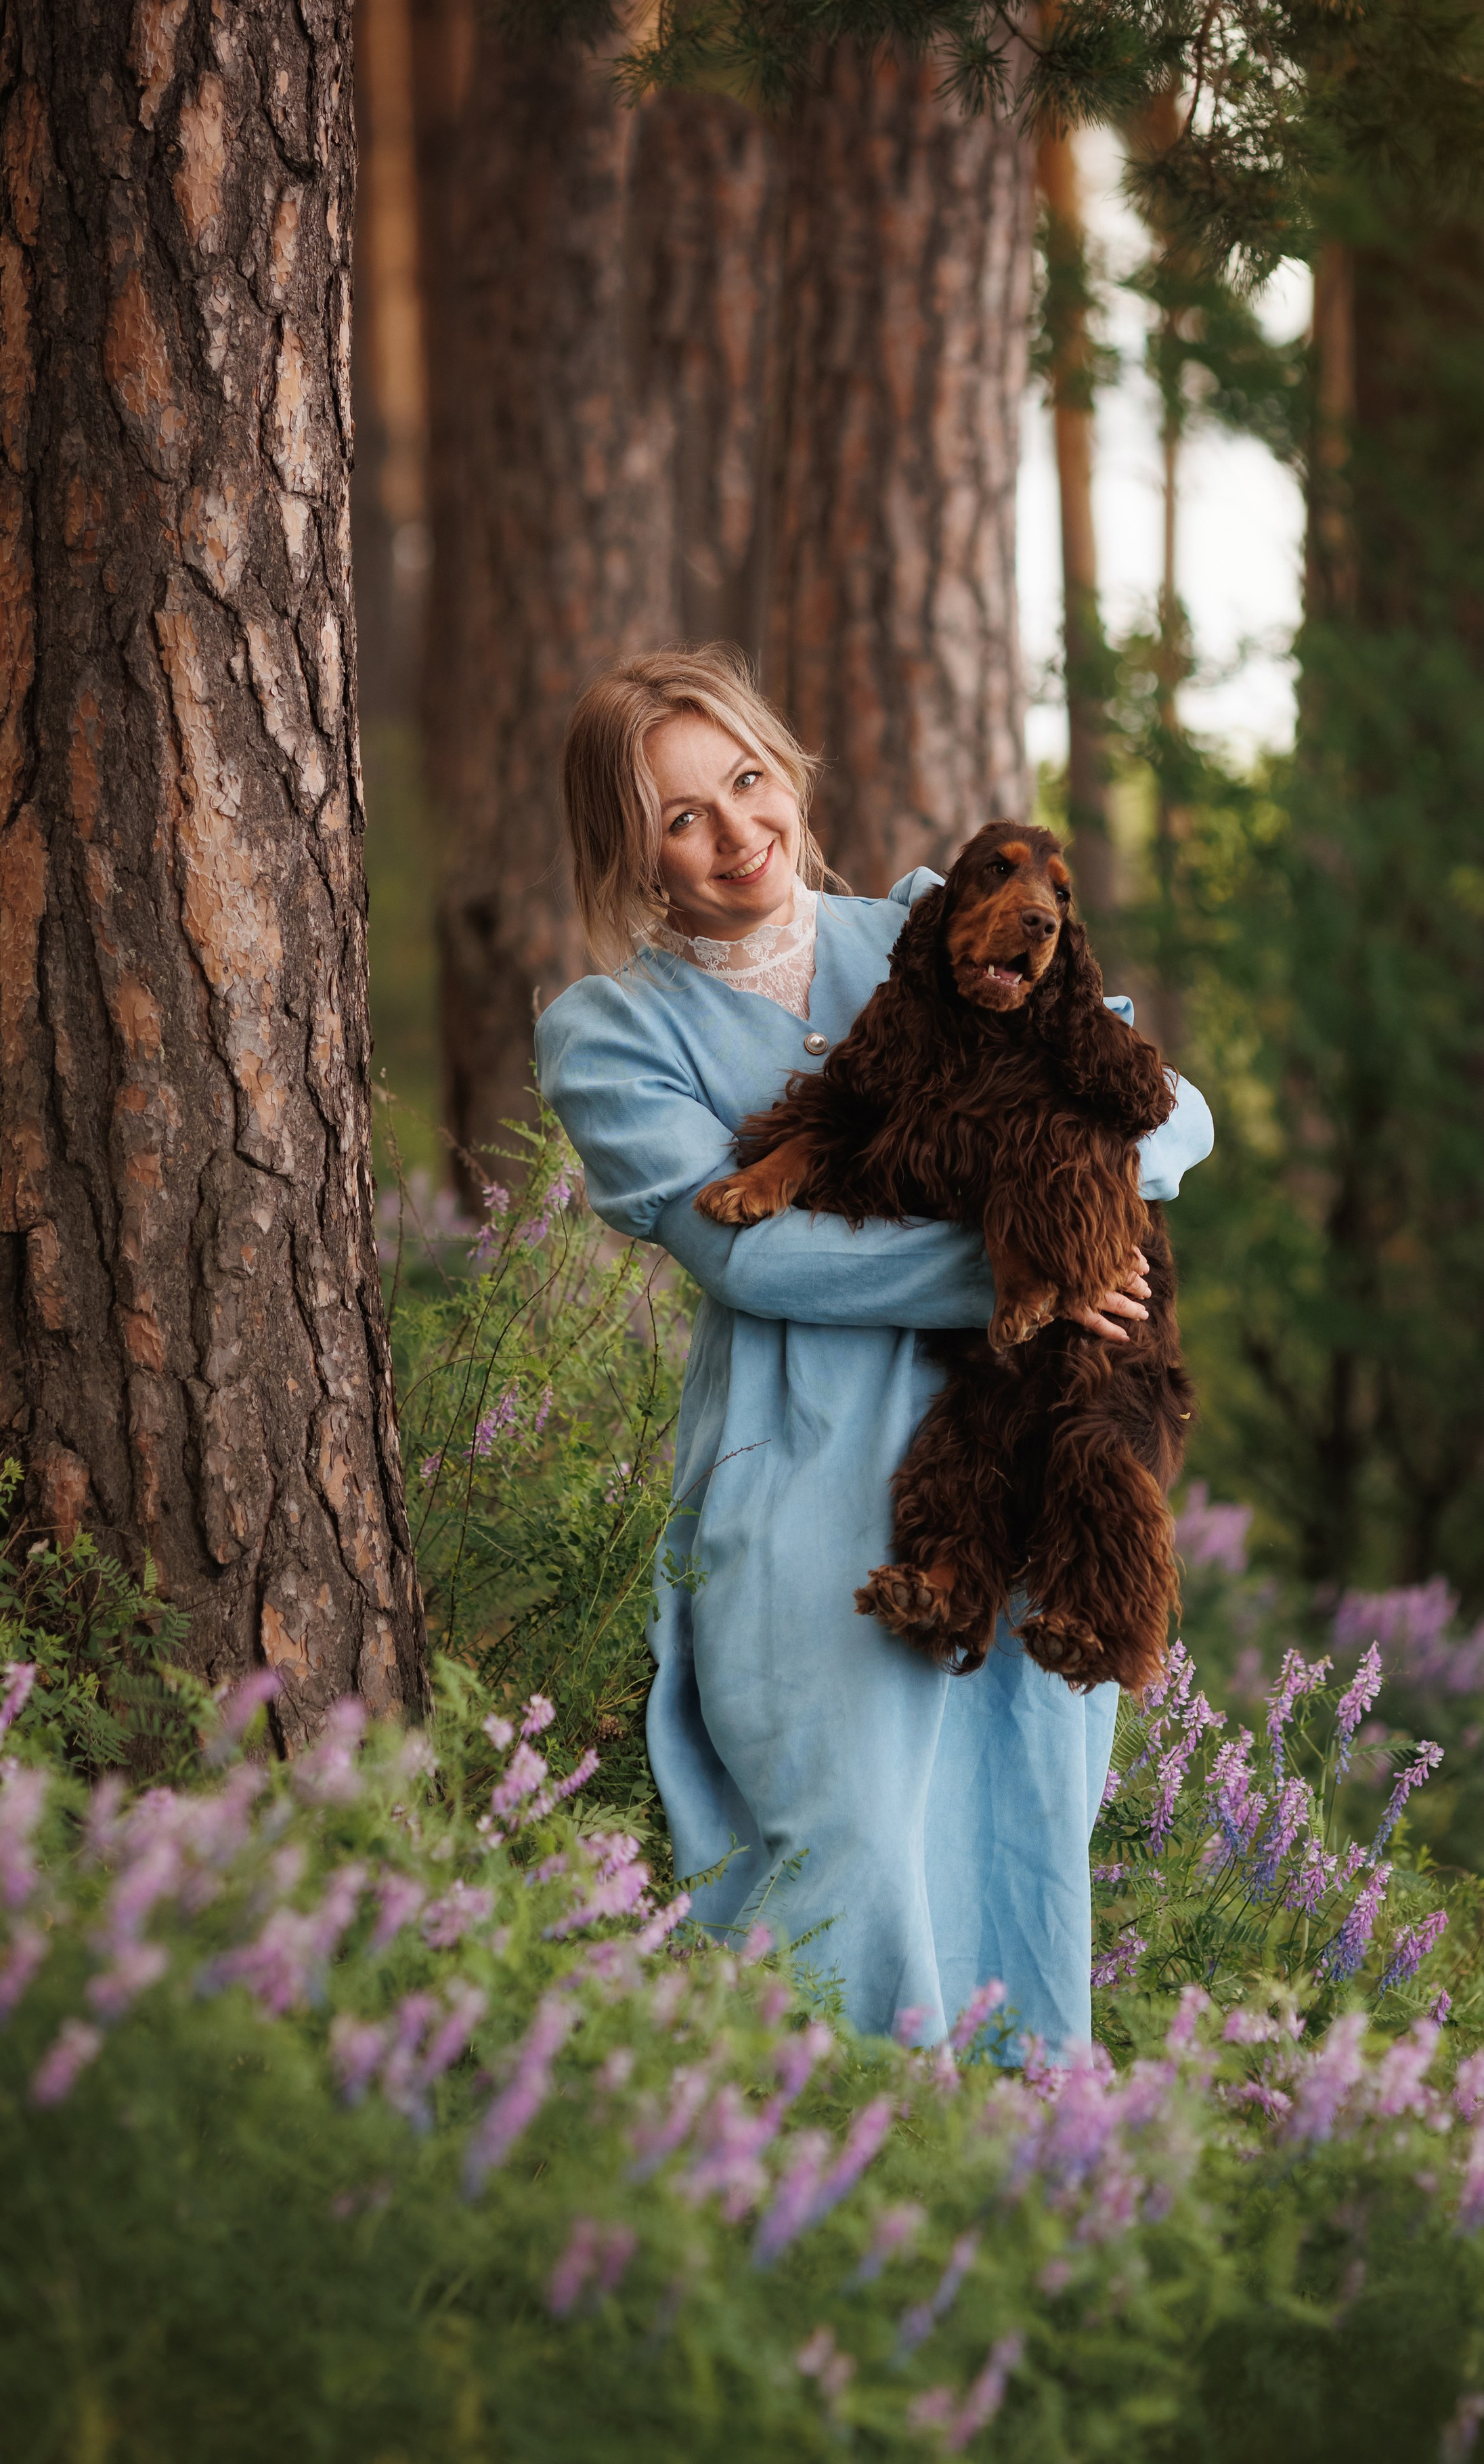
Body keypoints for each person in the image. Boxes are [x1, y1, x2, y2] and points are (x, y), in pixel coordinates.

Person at [534, 645, 1213, 2051]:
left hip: (1016, 1437)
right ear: (629, 850)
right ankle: (814, 2172)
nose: (735, 833)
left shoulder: (917, 930)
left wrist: (1085, 1234)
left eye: (744, 779)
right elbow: (753, 1255)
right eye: (679, 816)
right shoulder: (609, 1031)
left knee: (1019, 1812)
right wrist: (1012, 1272)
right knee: (831, 1828)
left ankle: (1006, 2186)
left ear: (784, 769)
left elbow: (1173, 1119)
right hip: (801, 1462)